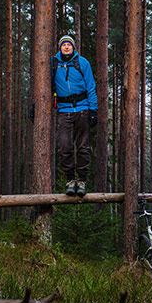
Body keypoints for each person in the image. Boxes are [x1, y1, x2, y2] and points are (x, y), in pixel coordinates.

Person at [52, 35, 98, 197]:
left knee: (83, 146)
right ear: (60, 47)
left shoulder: (82, 63)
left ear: (73, 47)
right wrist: (36, 105)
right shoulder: (54, 63)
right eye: (63, 45)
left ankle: (82, 181)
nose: (66, 47)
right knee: (65, 146)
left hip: (83, 109)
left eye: (68, 44)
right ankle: (70, 180)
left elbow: (91, 86)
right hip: (64, 110)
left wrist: (93, 110)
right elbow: (46, 86)